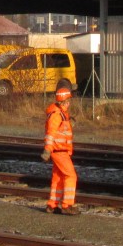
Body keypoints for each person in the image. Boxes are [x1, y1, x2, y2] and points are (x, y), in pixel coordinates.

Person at [41, 82, 78, 215]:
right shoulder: (56, 115)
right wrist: (47, 149)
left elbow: (61, 131)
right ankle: (67, 205)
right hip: (59, 151)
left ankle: (52, 205)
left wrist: (70, 124)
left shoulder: (61, 114)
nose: (69, 104)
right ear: (64, 101)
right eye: (68, 101)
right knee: (71, 175)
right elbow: (51, 133)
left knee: (58, 177)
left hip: (60, 150)